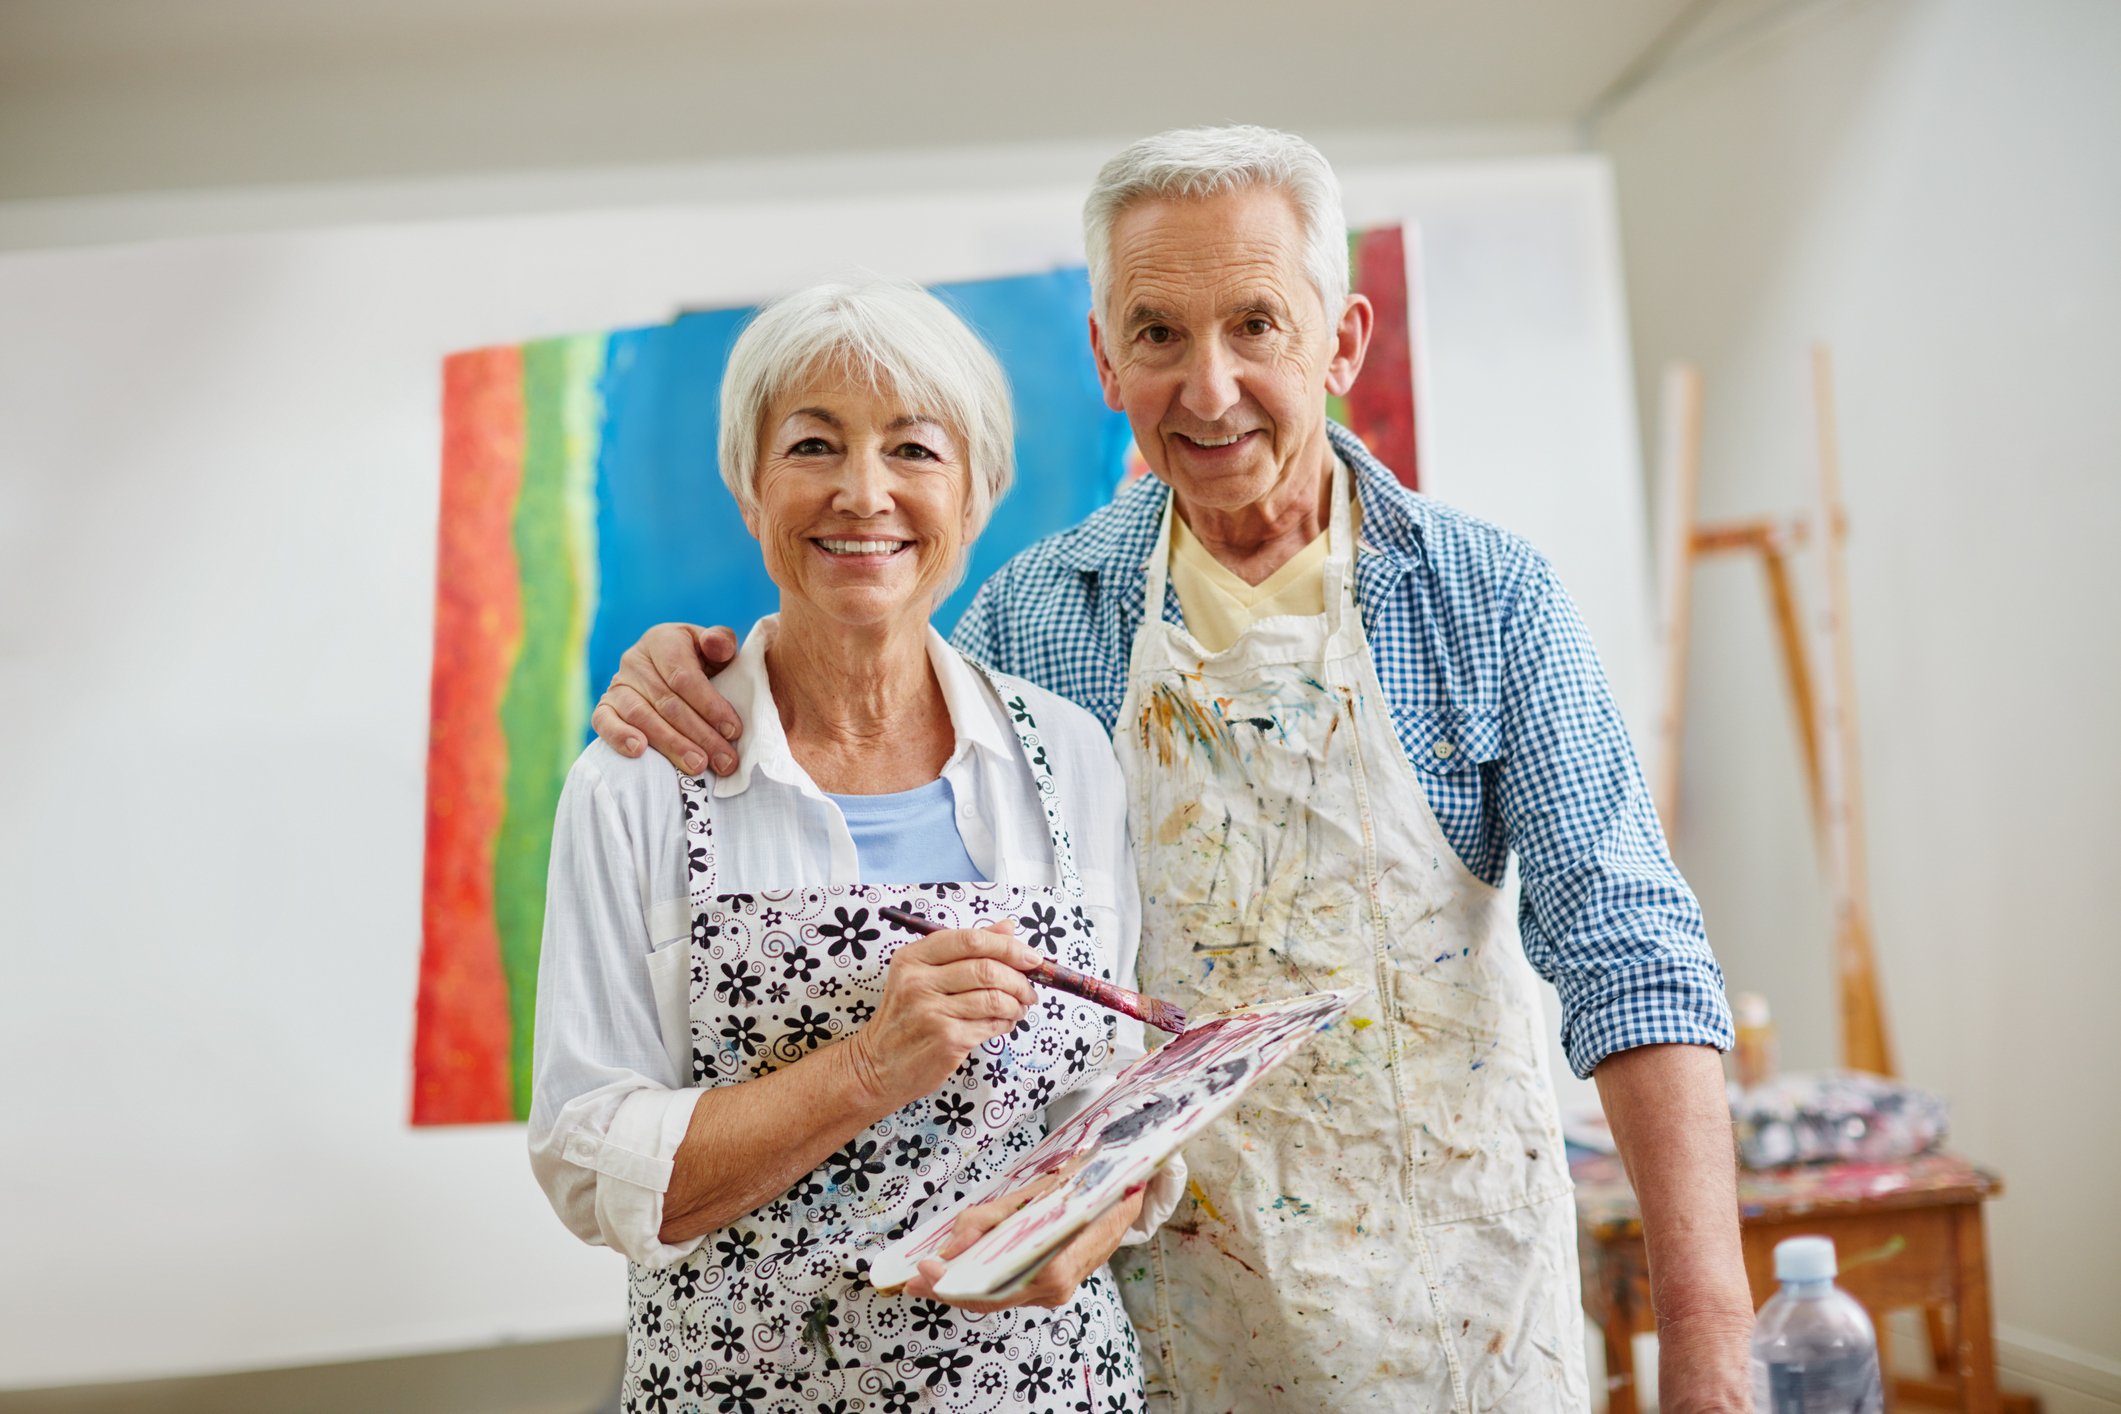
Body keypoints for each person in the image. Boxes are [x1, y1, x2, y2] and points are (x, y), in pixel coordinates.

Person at [591, 127, 1756, 1412]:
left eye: (1256, 325)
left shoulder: (1484, 601)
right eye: (1158, 334)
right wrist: (700, 671)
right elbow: (864, 699)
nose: (1209, 388)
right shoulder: (1037, 620)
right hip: (1164, 1338)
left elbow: (1631, 951)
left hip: (1448, 1321)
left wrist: (1708, 1341)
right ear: (1106, 358)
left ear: (1342, 342)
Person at [530, 281, 1186, 1413]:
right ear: (750, 487)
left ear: (975, 496)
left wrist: (1089, 1213)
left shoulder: (1068, 756)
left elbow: (1108, 1090)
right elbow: (592, 1162)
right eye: (813, 445)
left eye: (914, 449)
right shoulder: (638, 783)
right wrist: (870, 1068)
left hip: (1045, 1388)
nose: (864, 492)